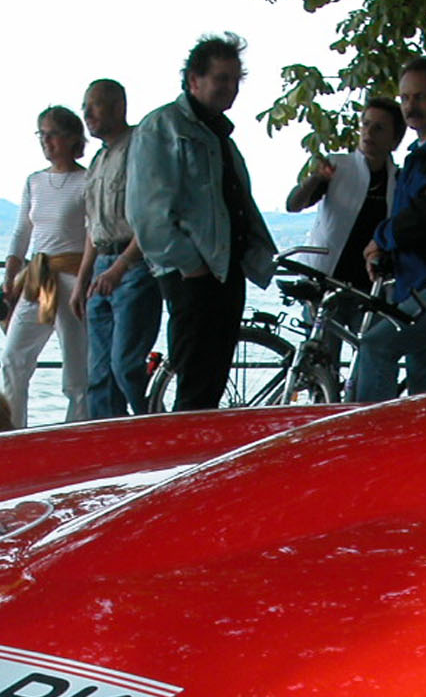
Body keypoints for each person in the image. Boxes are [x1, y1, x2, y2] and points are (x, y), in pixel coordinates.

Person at [127, 33, 277, 411]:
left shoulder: (218, 132)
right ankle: (185, 446)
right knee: (195, 383)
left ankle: (203, 443)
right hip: (195, 274)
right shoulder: (163, 127)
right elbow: (148, 214)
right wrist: (190, 265)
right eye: (221, 78)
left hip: (225, 268)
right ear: (194, 80)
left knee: (211, 382)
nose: (230, 88)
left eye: (235, 80)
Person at [349, 60, 426, 402]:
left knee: (376, 347)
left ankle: (373, 431)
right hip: (415, 285)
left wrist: (380, 238)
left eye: (420, 97)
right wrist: (384, 245)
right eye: (405, 98)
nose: (410, 106)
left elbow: (425, 217)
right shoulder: (417, 157)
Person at [286, 98, 404, 386]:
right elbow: (294, 204)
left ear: (394, 139)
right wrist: (316, 179)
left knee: (371, 360)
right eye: (365, 125)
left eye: (379, 128)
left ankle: (361, 406)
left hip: (369, 288)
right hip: (326, 281)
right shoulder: (338, 165)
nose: (368, 133)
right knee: (320, 365)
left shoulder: (398, 179)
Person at [72, 80, 162, 418]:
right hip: (102, 266)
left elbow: (151, 216)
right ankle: (106, 438)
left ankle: (151, 424)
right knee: (99, 374)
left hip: (134, 266)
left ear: (118, 106)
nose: (87, 114)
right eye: (85, 106)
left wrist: (120, 267)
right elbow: (93, 227)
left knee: (126, 366)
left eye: (94, 105)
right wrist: (82, 280)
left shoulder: (139, 148)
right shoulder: (98, 160)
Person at [0, 106, 90, 425]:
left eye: (53, 134)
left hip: (73, 280)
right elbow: (22, 231)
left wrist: (85, 282)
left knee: (77, 370)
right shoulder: (34, 182)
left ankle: (75, 431)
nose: (46, 141)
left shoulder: (87, 181)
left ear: (72, 138)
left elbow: (94, 234)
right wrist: (10, 275)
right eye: (42, 134)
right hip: (38, 278)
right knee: (13, 358)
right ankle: (13, 432)